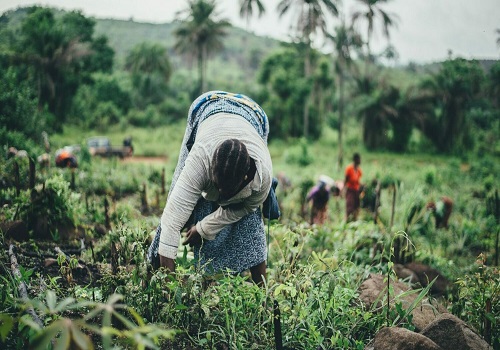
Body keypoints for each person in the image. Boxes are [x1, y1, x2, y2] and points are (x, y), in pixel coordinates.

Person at [147, 91, 273, 285]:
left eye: (227, 191)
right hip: (207, 107)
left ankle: (263, 293)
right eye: (217, 187)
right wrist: (170, 292)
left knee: (251, 222)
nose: (220, 196)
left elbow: (245, 208)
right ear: (210, 170)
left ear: (245, 178)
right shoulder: (200, 160)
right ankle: (154, 272)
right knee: (176, 202)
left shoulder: (261, 178)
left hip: (254, 115)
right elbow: (171, 222)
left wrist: (204, 228)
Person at [344, 153, 362, 222]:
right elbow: (346, 180)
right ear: (355, 160)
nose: (360, 161)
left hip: (356, 191)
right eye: (359, 159)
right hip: (350, 190)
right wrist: (344, 189)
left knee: (356, 207)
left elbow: (358, 181)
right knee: (349, 207)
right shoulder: (349, 169)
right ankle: (347, 221)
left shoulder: (359, 170)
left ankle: (355, 220)